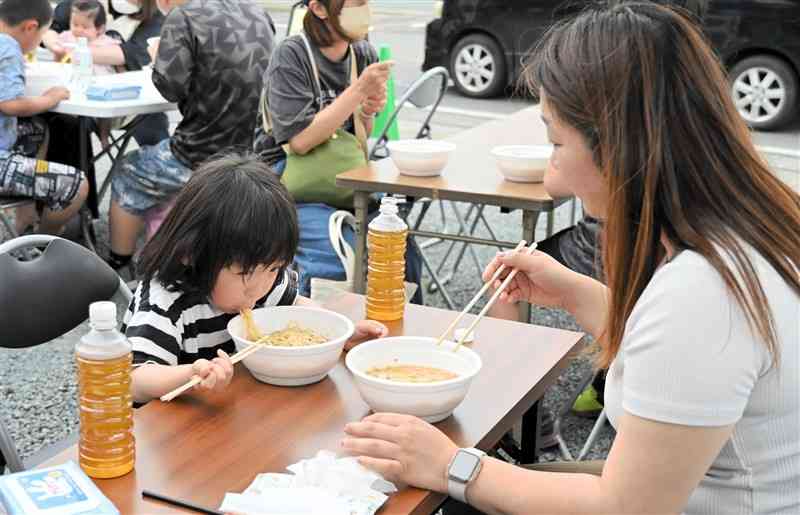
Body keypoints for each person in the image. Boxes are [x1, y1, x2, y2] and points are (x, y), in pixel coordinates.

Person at [341, 3, 800, 514]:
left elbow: (626, 506)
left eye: (556, 142)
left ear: (621, 146)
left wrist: (449, 464)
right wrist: (576, 292)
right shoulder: (753, 225)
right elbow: (682, 364)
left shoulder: (704, 294)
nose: (554, 178)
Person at [125, 154, 388, 404]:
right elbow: (134, 380)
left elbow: (293, 305)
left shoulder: (260, 281)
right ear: (191, 254)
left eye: (274, 269)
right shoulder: (165, 300)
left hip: (234, 412)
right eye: (244, 275)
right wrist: (190, 374)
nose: (260, 289)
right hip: (175, 431)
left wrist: (341, 335)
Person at [254, 0, 423, 301]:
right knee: (337, 253)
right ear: (319, 9)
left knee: (399, 250)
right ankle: (324, 333)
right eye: (355, 4)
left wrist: (368, 112)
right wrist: (358, 91)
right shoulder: (293, 55)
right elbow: (300, 141)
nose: (364, 10)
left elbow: (358, 135)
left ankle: (402, 335)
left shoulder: (362, 52)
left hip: (344, 173)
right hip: (287, 179)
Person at [106, 0, 276, 271]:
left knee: (128, 171)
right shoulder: (257, 12)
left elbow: (170, 87)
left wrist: (160, 54)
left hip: (198, 154)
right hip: (250, 151)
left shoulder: (183, 17)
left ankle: (117, 265)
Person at [0, 0, 88, 235]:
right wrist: (51, 98)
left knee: (37, 129)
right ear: (30, 27)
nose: (37, 43)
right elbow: (10, 104)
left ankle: (26, 218)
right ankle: (42, 243)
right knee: (77, 185)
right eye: (40, 37)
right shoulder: (8, 46)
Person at [43, 0, 169, 147]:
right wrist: (54, 44)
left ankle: (161, 164)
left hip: (128, 97)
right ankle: (77, 170)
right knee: (62, 123)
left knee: (154, 123)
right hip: (77, 92)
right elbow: (49, 28)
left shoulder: (156, 16)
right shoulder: (85, 5)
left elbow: (128, 54)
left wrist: (73, 50)